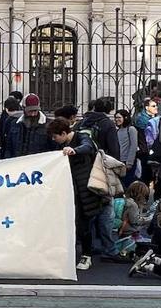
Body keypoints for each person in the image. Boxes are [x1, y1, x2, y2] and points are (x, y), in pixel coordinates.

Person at [49, 116, 102, 269]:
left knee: (84, 224)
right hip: (71, 189)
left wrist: (74, 150)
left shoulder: (82, 137)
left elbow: (88, 147)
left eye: (55, 136)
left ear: (64, 133)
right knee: (73, 223)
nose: (54, 139)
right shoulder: (62, 145)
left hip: (84, 190)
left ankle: (87, 255)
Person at [114, 109, 140, 186]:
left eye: (119, 117)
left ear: (125, 118)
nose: (117, 119)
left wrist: (130, 162)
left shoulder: (131, 129)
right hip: (120, 162)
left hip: (128, 162)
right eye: (116, 117)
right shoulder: (117, 131)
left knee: (128, 183)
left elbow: (133, 146)